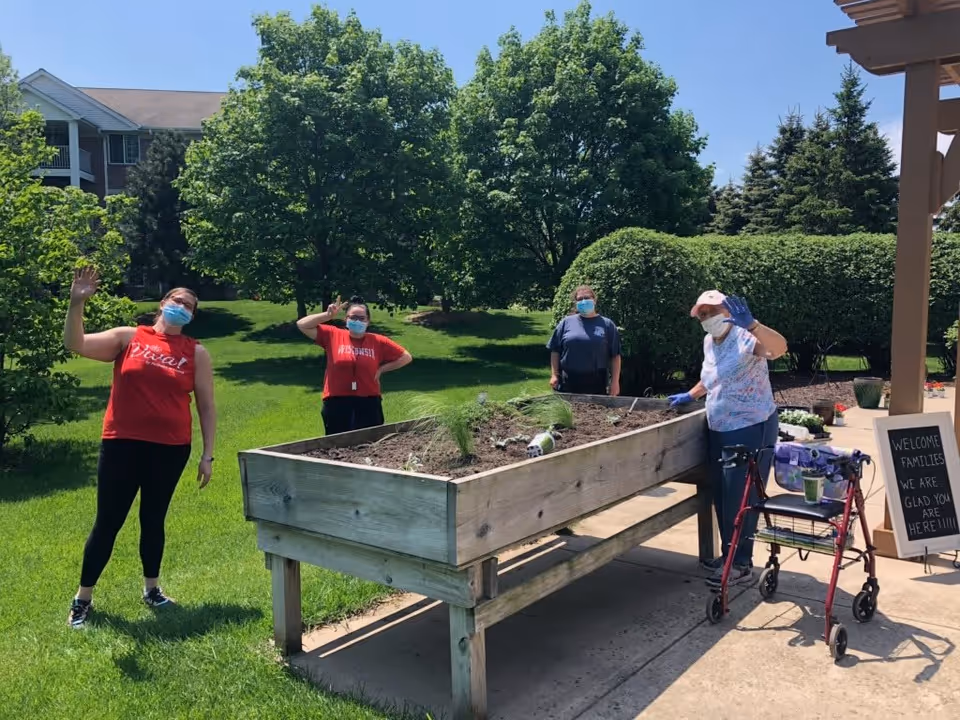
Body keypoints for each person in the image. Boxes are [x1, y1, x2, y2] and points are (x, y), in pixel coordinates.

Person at [64, 268, 217, 628]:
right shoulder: (128, 337)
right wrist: (76, 303)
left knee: (153, 519)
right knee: (108, 521)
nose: (183, 308)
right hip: (122, 444)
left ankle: (152, 589)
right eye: (178, 301)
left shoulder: (195, 352)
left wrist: (207, 454)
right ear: (163, 304)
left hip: (171, 448)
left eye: (190, 307)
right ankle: (82, 598)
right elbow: (76, 344)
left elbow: (207, 407)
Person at [668, 291, 788, 589]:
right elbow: (713, 378)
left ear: (728, 310)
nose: (708, 318)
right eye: (703, 314)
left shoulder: (744, 336)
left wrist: (754, 325)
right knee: (722, 495)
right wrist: (691, 395)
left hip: (751, 426)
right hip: (719, 428)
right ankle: (729, 555)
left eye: (713, 310)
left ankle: (741, 564)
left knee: (742, 497)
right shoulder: (710, 341)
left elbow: (778, 350)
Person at [297, 295, 412, 435]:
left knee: (370, 443)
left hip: (368, 400)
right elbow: (302, 324)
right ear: (346, 319)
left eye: (361, 318)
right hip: (336, 401)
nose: (357, 321)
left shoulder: (378, 341)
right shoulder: (332, 335)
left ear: (368, 321)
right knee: (337, 445)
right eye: (353, 317)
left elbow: (406, 357)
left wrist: (382, 369)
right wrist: (327, 316)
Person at [547, 285, 622, 396]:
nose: (583, 301)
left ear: (594, 300)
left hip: (596, 380)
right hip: (568, 380)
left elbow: (615, 356)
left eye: (586, 298)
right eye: (580, 299)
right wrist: (554, 375)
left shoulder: (607, 325)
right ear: (576, 303)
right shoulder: (566, 322)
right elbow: (555, 350)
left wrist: (615, 382)